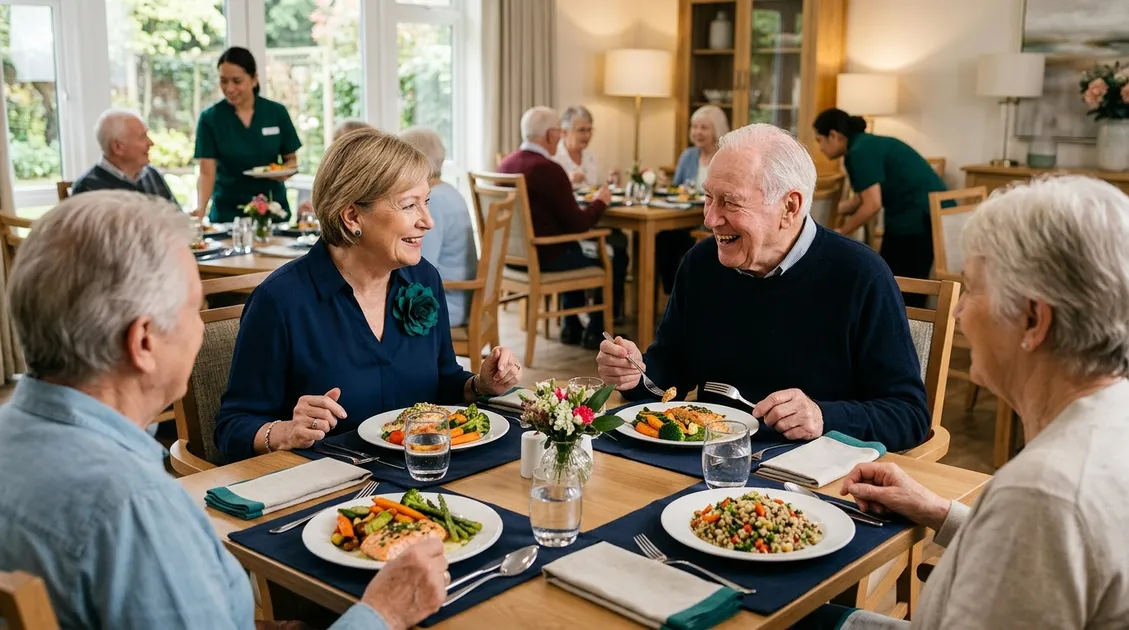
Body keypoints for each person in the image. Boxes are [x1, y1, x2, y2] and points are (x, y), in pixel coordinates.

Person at [0, 190, 451, 630]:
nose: (200, 330)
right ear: (142, 343)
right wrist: (382, 614)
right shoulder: (136, 511)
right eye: (192, 311)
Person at [813, 176, 1129, 629]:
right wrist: (938, 511)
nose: (959, 312)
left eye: (974, 290)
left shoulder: (1042, 494)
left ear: (1034, 319)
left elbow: (1043, 524)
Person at [596, 124, 929, 451]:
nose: (710, 219)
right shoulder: (701, 263)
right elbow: (670, 372)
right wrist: (636, 374)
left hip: (809, 477)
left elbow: (908, 415)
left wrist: (823, 415)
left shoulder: (862, 275)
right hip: (710, 464)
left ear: (790, 207)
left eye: (730, 203)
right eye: (708, 198)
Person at [214, 128, 522, 462]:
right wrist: (285, 431)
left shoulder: (423, 278)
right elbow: (231, 428)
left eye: (426, 202)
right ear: (351, 216)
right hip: (334, 490)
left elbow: (444, 383)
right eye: (409, 206)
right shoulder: (280, 301)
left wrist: (480, 385)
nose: (428, 221)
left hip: (425, 470)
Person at [498, 106, 626, 349]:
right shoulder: (549, 169)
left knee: (573, 246)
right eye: (558, 131)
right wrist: (601, 202)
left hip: (512, 258)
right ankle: (597, 330)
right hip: (547, 257)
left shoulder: (506, 165)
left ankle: (571, 326)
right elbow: (579, 224)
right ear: (549, 135)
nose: (560, 136)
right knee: (614, 253)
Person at [813, 108, 947, 306]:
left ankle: (910, 333)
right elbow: (859, 201)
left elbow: (872, 205)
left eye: (820, 141)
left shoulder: (860, 152)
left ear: (833, 135)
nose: (820, 149)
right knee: (891, 281)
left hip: (916, 217)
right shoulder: (863, 145)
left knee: (901, 286)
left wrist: (841, 232)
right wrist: (822, 209)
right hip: (925, 212)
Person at [194, 47, 301, 223]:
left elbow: (291, 160)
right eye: (223, 81)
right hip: (228, 214)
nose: (229, 88)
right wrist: (200, 209)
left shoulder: (276, 113)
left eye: (237, 81)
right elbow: (207, 172)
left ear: (254, 79)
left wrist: (284, 172)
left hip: (272, 211)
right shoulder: (210, 119)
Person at [398, 126, 477, 326]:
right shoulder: (449, 191)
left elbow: (420, 267)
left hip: (442, 304)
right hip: (459, 296)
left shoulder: (432, 201)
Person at [657, 105, 731, 295]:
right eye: (694, 127)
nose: (697, 132)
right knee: (663, 239)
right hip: (685, 221)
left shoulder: (726, 157)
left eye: (704, 127)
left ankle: (683, 296)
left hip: (710, 225)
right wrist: (666, 186)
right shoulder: (688, 155)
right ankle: (673, 294)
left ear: (717, 129)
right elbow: (676, 190)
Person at [71, 108, 180, 208]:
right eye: (142, 137)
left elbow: (177, 217)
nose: (151, 143)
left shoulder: (152, 174)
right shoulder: (87, 189)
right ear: (118, 147)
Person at [552, 105, 619, 187]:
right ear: (564, 132)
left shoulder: (591, 157)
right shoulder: (553, 158)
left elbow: (595, 189)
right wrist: (567, 180)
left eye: (589, 130)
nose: (587, 135)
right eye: (581, 130)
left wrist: (610, 183)